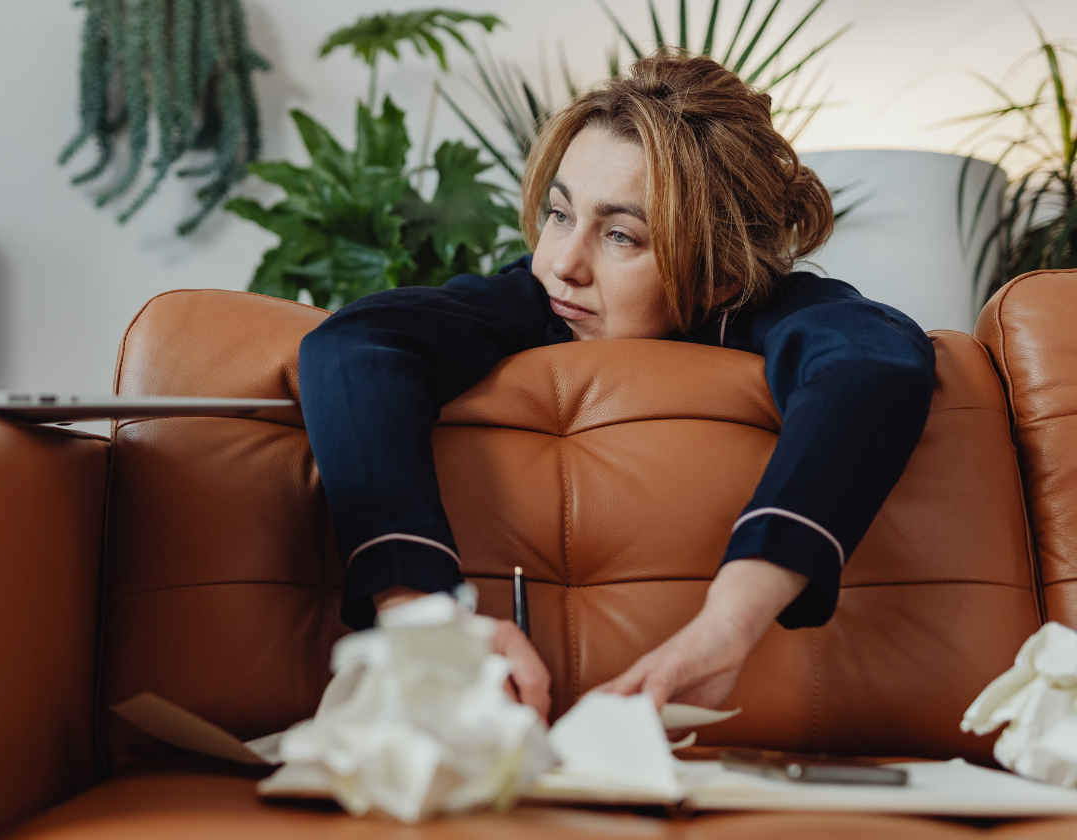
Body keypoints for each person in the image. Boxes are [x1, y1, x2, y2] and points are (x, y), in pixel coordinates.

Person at [296, 50, 935, 722]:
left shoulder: (765, 310)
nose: (562, 264)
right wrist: (423, 622)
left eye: (621, 236)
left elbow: (873, 361)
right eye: (560, 213)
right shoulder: (532, 300)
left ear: (719, 275)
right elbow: (353, 346)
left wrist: (731, 620)